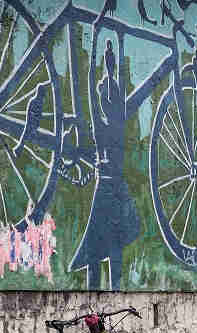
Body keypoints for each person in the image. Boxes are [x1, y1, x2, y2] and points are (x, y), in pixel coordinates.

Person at [68, 34, 140, 290]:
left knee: (98, 250)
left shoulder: (103, 126)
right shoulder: (117, 124)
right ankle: (109, 296)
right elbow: (108, 82)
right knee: (108, 249)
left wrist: (98, 38)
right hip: (114, 191)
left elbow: (91, 86)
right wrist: (116, 43)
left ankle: (100, 298)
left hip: (108, 191)